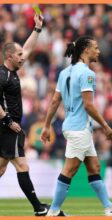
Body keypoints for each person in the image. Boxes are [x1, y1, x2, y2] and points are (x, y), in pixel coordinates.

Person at [40, 36, 112, 216]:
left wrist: (46, 125)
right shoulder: (88, 74)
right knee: (69, 170)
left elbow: (54, 101)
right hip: (79, 129)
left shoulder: (64, 72)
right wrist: (105, 125)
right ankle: (54, 211)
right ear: (85, 50)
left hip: (75, 127)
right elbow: (88, 105)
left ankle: (109, 208)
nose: (99, 51)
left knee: (94, 167)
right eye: (95, 48)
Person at [0, 13, 51, 216]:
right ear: (9, 56)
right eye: (19, 55)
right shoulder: (2, 75)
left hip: (9, 126)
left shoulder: (13, 71)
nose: (23, 56)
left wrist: (37, 29)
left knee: (2, 168)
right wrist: (8, 120)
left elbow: (28, 48)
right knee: (22, 164)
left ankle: (38, 207)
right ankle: (38, 208)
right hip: (7, 126)